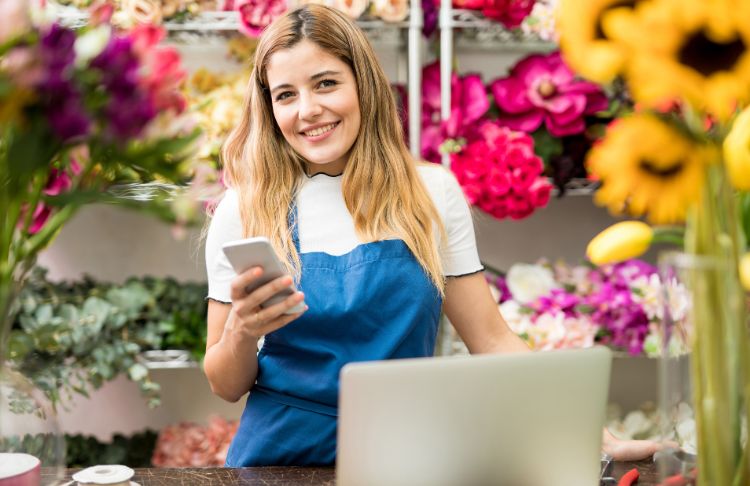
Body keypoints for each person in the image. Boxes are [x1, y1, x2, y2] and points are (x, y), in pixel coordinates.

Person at [203, 4, 661, 467]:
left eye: (326, 83)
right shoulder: (243, 210)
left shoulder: (431, 194)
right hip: (277, 458)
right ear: (270, 108)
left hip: (400, 453)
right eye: (285, 95)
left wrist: (591, 433)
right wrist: (242, 331)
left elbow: (492, 341)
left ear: (362, 83)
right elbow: (224, 384)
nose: (308, 110)